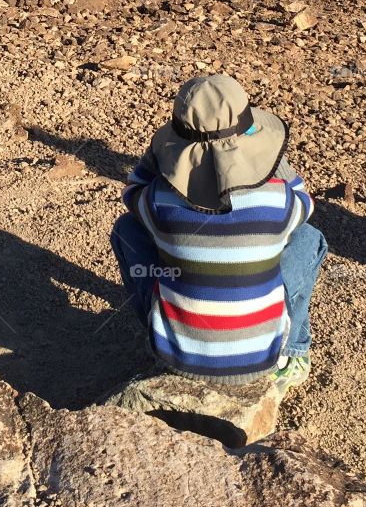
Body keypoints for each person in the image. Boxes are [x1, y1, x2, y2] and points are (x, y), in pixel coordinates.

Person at [111, 73, 327, 390]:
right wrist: (269, 160)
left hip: (175, 357)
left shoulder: (159, 200)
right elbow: (305, 201)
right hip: (262, 358)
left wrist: (157, 156)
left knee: (127, 229)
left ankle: (165, 324)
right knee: (308, 238)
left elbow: (132, 191)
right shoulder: (277, 199)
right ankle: (292, 353)